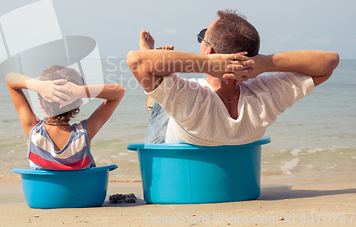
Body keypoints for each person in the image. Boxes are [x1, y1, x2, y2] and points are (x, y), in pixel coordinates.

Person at [127, 10, 339, 146]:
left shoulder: (191, 97)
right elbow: (330, 62)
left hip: (167, 144)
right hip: (225, 138)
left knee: (160, 106)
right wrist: (264, 63)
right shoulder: (265, 97)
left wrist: (209, 65)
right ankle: (160, 71)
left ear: (209, 53)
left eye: (202, 37)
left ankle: (159, 70)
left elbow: (135, 61)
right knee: (163, 89)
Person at [6, 65, 125, 170]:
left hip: (41, 196)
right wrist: (80, 91)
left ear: (40, 103)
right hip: (84, 195)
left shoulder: (32, 130)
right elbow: (119, 92)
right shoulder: (84, 134)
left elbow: (10, 79)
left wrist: (38, 85)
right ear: (79, 104)